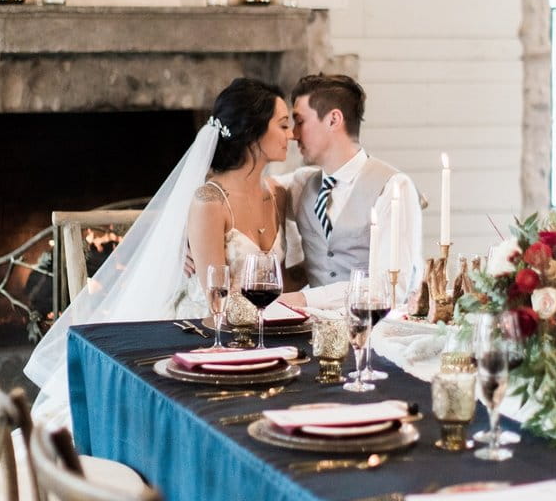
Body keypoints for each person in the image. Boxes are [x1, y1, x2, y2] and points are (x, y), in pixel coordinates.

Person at [24, 77, 293, 425]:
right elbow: (215, 296)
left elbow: (277, 280)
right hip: (201, 331)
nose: (292, 135)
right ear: (253, 131)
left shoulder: (278, 193)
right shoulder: (210, 200)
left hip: (262, 329)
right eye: (284, 125)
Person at [280, 73, 422, 311]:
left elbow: (391, 286)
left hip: (371, 331)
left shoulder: (393, 187)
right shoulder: (301, 184)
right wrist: (195, 227)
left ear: (333, 119)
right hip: (309, 331)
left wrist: (305, 299)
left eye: (300, 121)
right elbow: (237, 196)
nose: (294, 134)